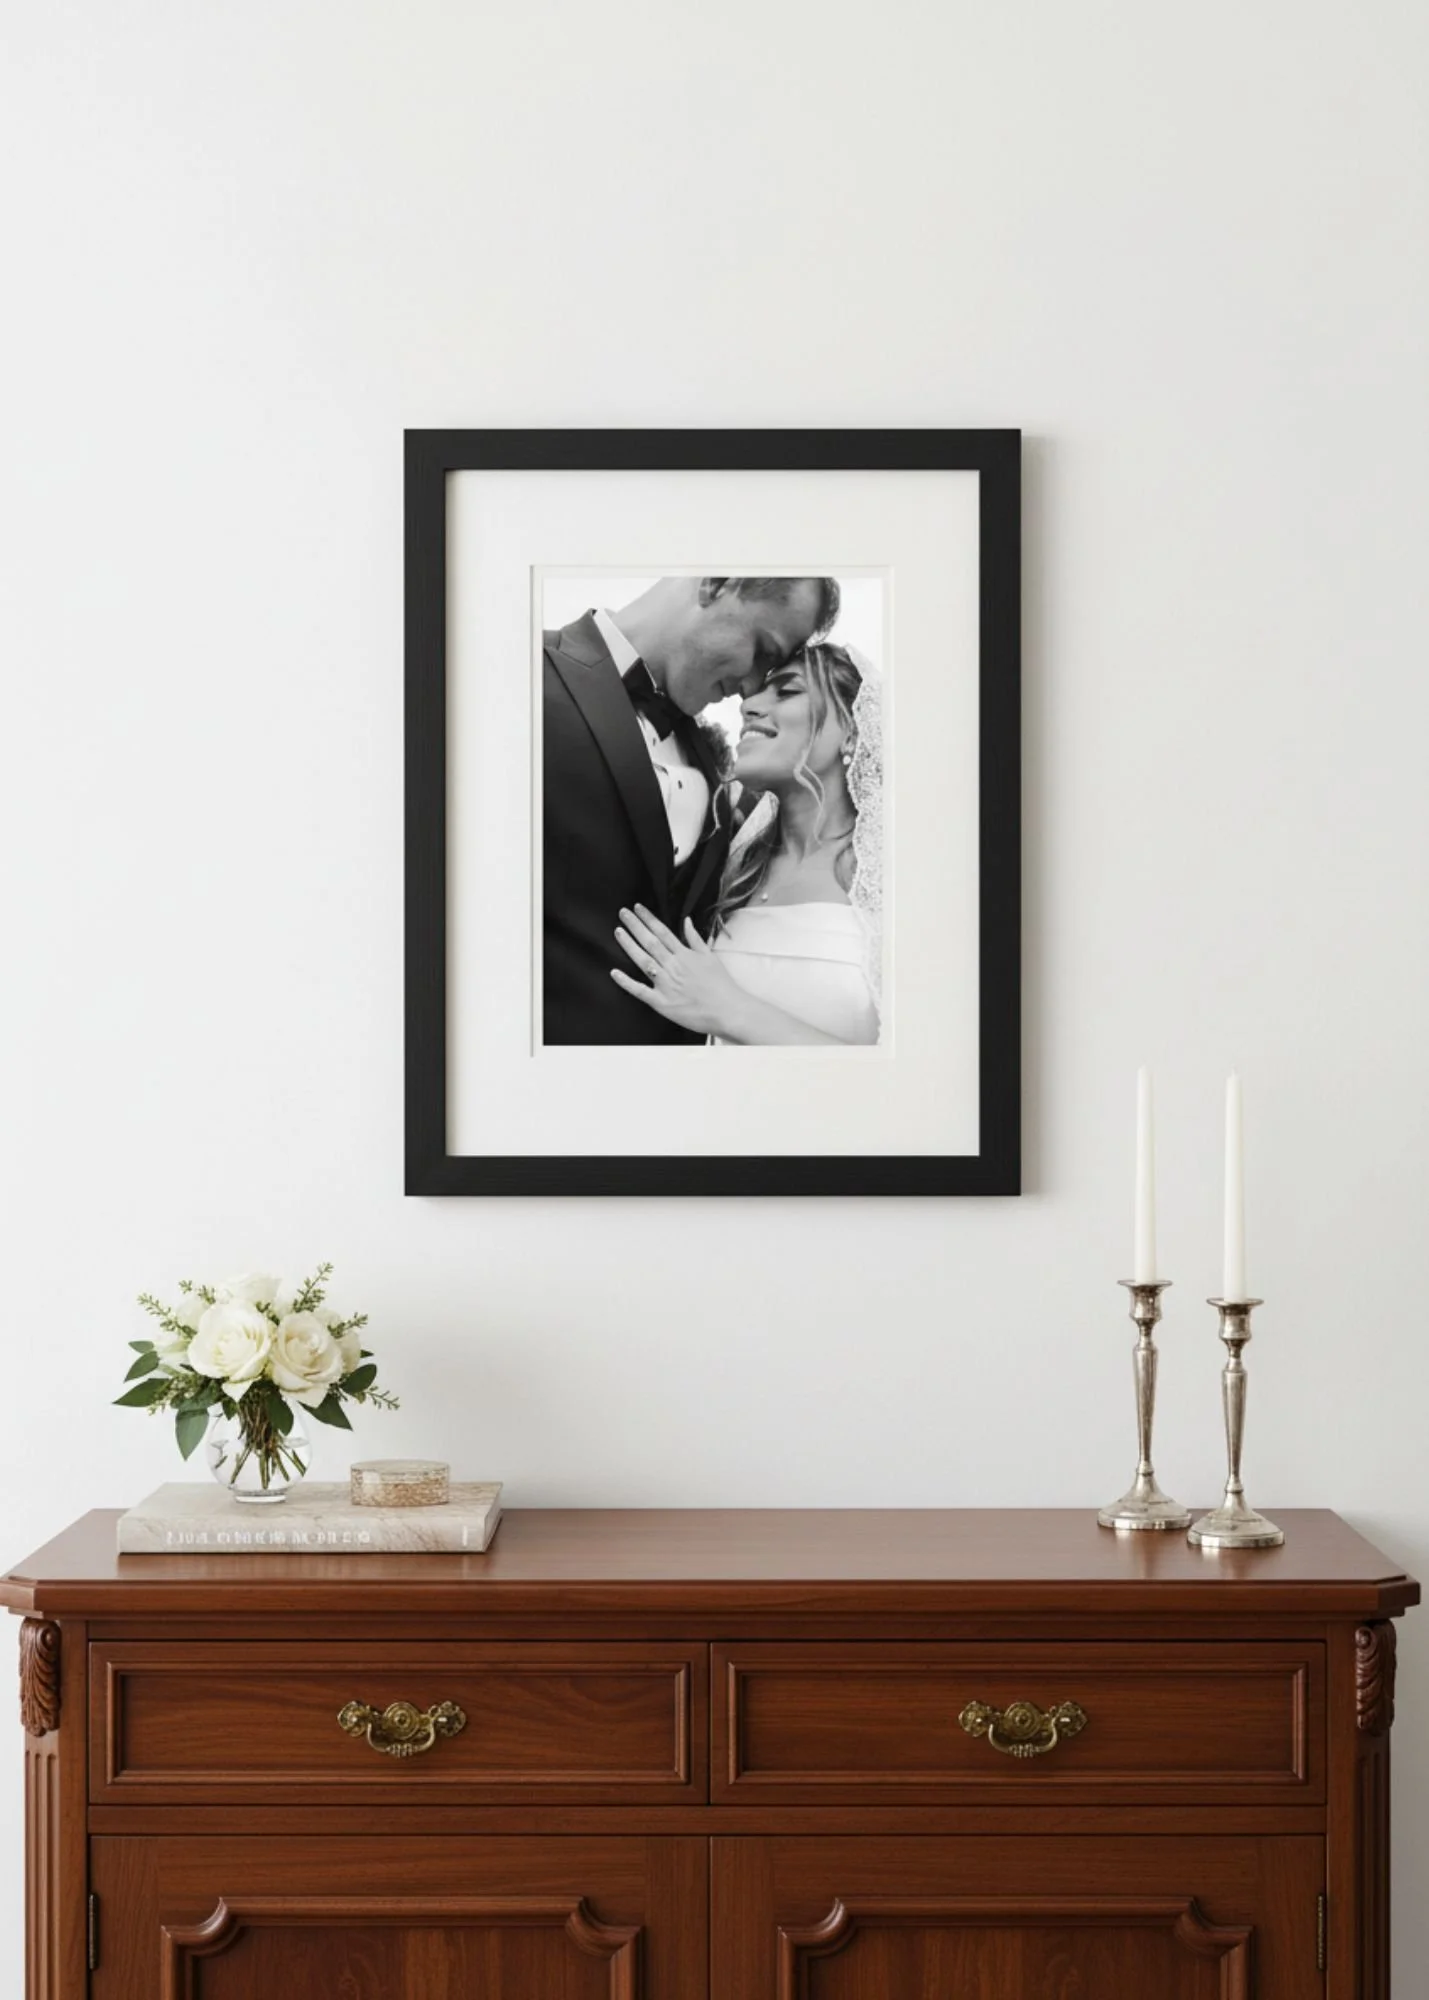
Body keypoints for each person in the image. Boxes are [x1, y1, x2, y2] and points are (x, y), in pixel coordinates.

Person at [542, 576, 839, 1044]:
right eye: (763, 651)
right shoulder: (519, 672)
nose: (750, 690)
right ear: (717, 584)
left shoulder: (713, 765)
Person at [610, 642, 882, 1045]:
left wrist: (730, 1010)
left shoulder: (892, 874)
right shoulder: (733, 868)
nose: (748, 706)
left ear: (853, 731)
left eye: (787, 691)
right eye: (756, 693)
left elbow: (926, 1072)